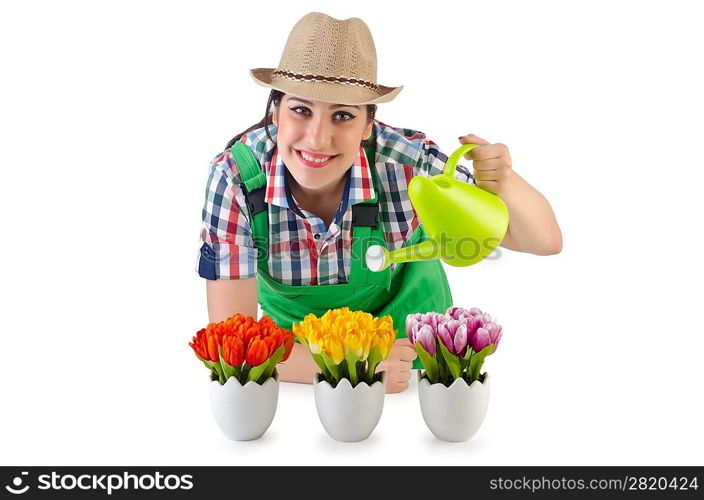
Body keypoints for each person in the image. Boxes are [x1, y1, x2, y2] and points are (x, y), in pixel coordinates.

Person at [196, 12, 562, 394]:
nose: (318, 138)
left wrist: (506, 182)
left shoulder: (408, 165)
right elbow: (231, 342)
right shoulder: (237, 179)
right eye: (300, 110)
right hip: (293, 363)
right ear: (275, 112)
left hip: (413, 358)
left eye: (342, 115)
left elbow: (543, 241)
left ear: (369, 124)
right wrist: (358, 367)